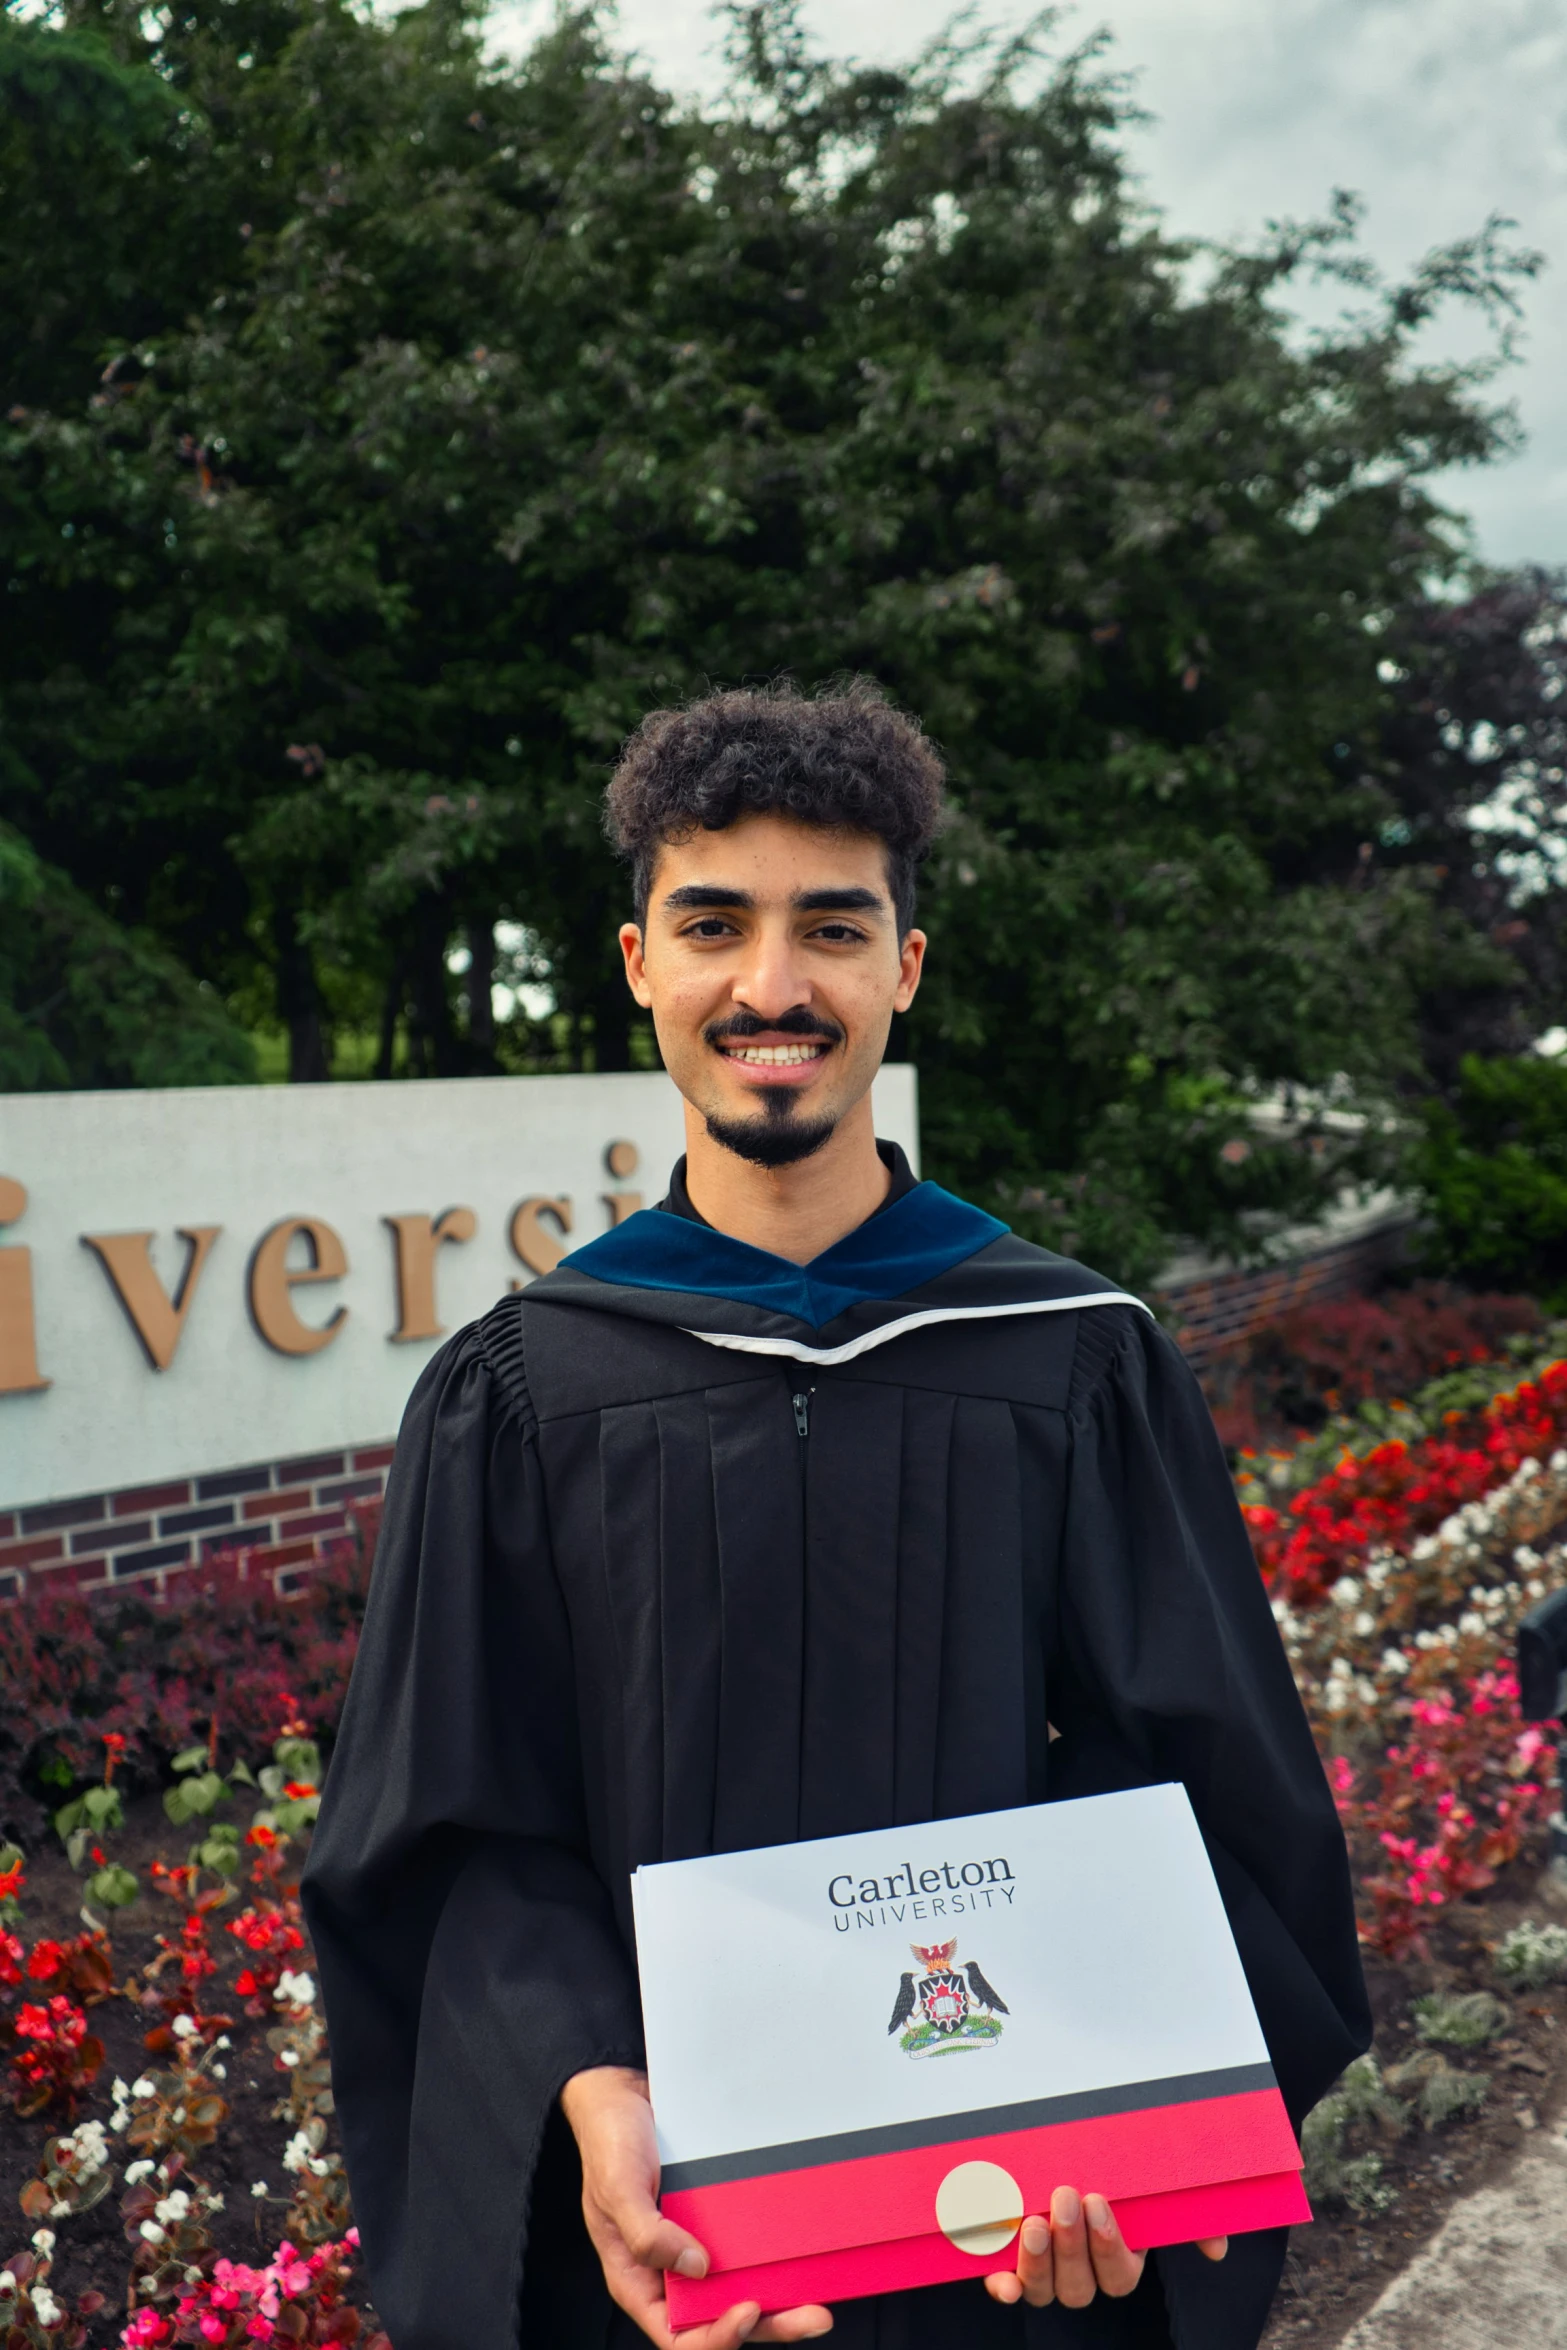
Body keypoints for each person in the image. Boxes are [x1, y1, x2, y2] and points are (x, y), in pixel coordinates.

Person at [303, 680, 1370, 2350]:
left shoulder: (1067, 1358)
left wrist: (1125, 2135)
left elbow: (1217, 1805)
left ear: (904, 969)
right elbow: (459, 1834)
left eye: (832, 926)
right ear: (640, 959)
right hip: (673, 2249)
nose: (771, 984)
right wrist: (589, 2097)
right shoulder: (519, 1392)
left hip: (1009, 2259)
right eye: (713, 923)